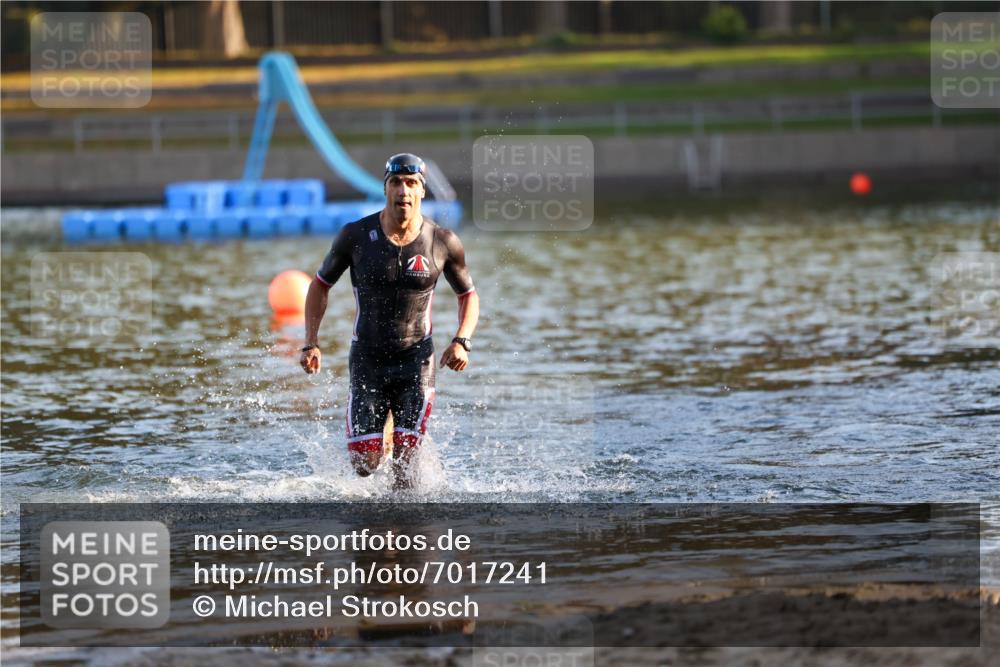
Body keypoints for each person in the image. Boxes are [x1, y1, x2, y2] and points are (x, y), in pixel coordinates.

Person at [299, 153, 480, 489]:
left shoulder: (443, 241)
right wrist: (311, 341)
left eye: (411, 183)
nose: (404, 191)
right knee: (364, 465)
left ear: (422, 191)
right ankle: (380, 434)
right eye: (396, 183)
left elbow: (468, 295)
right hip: (368, 359)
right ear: (385, 189)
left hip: (417, 360)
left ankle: (403, 537)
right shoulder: (354, 236)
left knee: (406, 469)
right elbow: (320, 285)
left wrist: (462, 340)